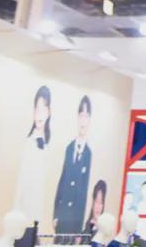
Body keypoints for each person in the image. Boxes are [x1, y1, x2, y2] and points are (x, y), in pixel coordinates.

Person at [54, 96, 93, 244]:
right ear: (77, 118)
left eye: (87, 116)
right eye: (81, 115)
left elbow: (83, 192)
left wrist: (79, 229)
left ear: (90, 120)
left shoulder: (88, 154)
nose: (83, 120)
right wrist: (55, 214)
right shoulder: (69, 148)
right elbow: (62, 181)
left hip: (74, 221)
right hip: (62, 215)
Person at [14, 86, 52, 227]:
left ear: (48, 112)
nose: (39, 115)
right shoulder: (29, 143)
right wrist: (16, 212)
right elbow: (21, 181)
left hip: (37, 216)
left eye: (43, 110)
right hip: (24, 215)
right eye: (37, 110)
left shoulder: (47, 144)